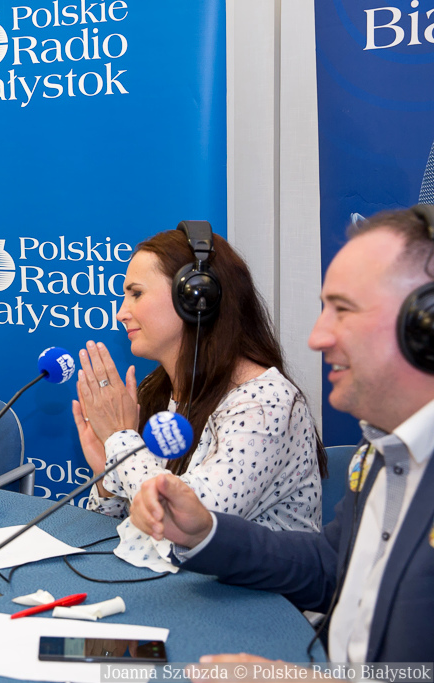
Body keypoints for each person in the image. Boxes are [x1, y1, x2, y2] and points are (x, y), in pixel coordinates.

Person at [130, 207, 434, 664]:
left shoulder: (267, 399)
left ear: (424, 326)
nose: (318, 337)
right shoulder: (384, 447)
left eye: (344, 310)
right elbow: (331, 564)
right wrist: (205, 532)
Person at [72, 222, 326, 570]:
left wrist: (120, 439)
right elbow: (116, 529)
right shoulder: (158, 390)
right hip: (181, 586)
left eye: (136, 294)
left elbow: (183, 526)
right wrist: (108, 474)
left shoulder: (265, 403)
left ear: (194, 298)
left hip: (260, 598)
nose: (121, 312)